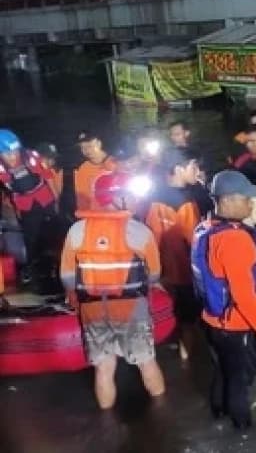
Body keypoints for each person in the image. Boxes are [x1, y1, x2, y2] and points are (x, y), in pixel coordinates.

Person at [59, 171, 165, 409]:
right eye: (130, 194)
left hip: (93, 311)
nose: (136, 200)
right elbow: (155, 273)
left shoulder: (76, 230)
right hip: (131, 310)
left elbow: (67, 277)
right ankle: (164, 421)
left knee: (104, 370)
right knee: (146, 363)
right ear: (117, 197)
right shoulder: (139, 231)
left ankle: (106, 426)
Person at [191, 170, 256, 430]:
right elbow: (243, 294)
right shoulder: (235, 239)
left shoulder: (206, 227)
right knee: (240, 382)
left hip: (213, 319)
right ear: (227, 201)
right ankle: (243, 434)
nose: (252, 204)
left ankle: (217, 416)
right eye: (247, 199)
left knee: (223, 372)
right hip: (236, 324)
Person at [142, 148, 201, 361]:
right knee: (187, 319)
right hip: (185, 271)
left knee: (167, 311)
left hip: (163, 270)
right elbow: (194, 240)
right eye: (193, 166)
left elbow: (150, 235)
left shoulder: (155, 197)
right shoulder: (186, 202)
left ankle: (169, 347)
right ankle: (187, 359)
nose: (198, 171)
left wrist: (153, 270)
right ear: (179, 169)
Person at [0, 130, 60, 283]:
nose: (13, 157)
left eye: (15, 152)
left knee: (51, 235)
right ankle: (32, 269)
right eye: (8, 154)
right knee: (31, 239)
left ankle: (56, 266)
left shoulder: (30, 156)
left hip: (45, 199)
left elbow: (48, 176)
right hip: (25, 205)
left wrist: (56, 199)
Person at [167, 121, 213, 218]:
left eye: (177, 134)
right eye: (172, 135)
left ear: (187, 133)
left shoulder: (198, 151)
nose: (173, 137)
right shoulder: (167, 154)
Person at [74, 131, 119, 212]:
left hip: (119, 214)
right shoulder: (84, 168)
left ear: (99, 143)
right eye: (82, 147)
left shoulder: (117, 162)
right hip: (96, 216)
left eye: (89, 146)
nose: (86, 150)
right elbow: (82, 197)